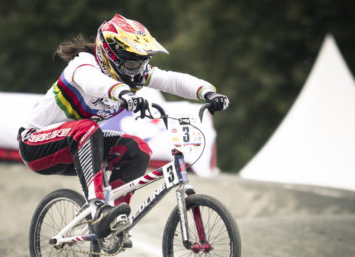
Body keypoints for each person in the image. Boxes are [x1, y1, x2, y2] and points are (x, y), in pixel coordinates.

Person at [18, 14, 229, 240]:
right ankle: (99, 210)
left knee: (137, 148)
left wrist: (208, 92)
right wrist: (123, 93)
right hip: (35, 143)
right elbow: (95, 83)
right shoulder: (82, 65)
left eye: (142, 62)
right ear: (110, 56)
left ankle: (116, 219)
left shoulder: (133, 74)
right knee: (88, 129)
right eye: (131, 63)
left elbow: (173, 81)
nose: (138, 70)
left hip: (79, 147)